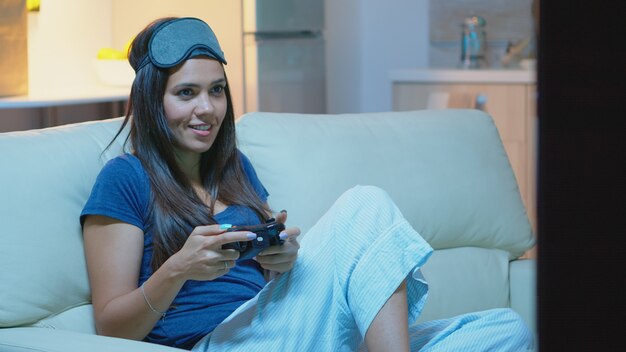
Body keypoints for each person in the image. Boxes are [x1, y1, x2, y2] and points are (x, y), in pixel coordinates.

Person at [81, 17, 533, 351]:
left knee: (506, 330)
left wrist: (282, 260)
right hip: (218, 341)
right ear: (152, 101)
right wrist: (178, 268)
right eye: (186, 93)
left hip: (288, 330)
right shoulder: (125, 178)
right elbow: (112, 326)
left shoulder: (233, 168)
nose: (207, 109)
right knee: (365, 205)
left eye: (216, 90)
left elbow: (270, 280)